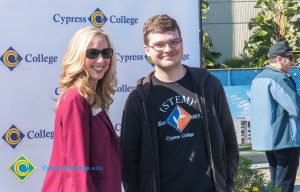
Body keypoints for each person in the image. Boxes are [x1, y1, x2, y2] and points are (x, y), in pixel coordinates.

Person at [121, 14, 239, 192]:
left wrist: (226, 185)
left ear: (182, 43)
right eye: (159, 44)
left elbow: (229, 142)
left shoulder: (208, 85)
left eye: (174, 42)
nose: (168, 49)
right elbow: (130, 163)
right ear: (147, 50)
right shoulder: (139, 99)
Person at [42, 26, 121, 192]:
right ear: (78, 56)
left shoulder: (91, 97)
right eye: (93, 53)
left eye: (106, 53)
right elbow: (77, 168)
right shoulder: (74, 99)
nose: (101, 60)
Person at [251, 40, 300, 192]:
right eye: (290, 58)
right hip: (285, 139)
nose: (293, 62)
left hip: (269, 141)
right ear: (278, 59)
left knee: (275, 183)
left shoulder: (258, 78)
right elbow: (295, 108)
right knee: (284, 184)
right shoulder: (279, 78)